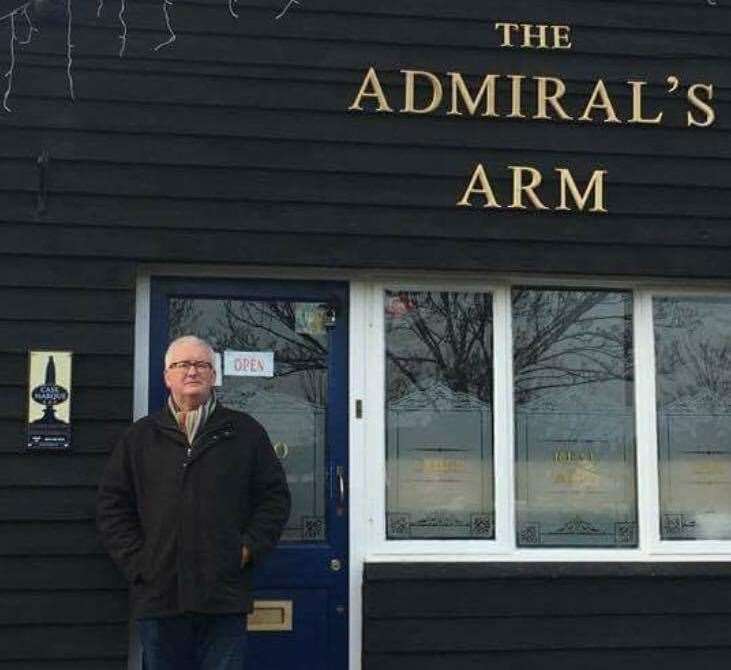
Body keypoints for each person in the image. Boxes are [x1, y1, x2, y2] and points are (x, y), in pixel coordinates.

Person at [96, 335, 291, 670]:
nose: (192, 372)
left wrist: (245, 550)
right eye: (182, 365)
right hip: (159, 596)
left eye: (201, 364)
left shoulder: (245, 433)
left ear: (214, 375)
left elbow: (274, 500)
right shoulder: (140, 437)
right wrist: (140, 564)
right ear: (166, 376)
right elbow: (113, 505)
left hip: (223, 594)